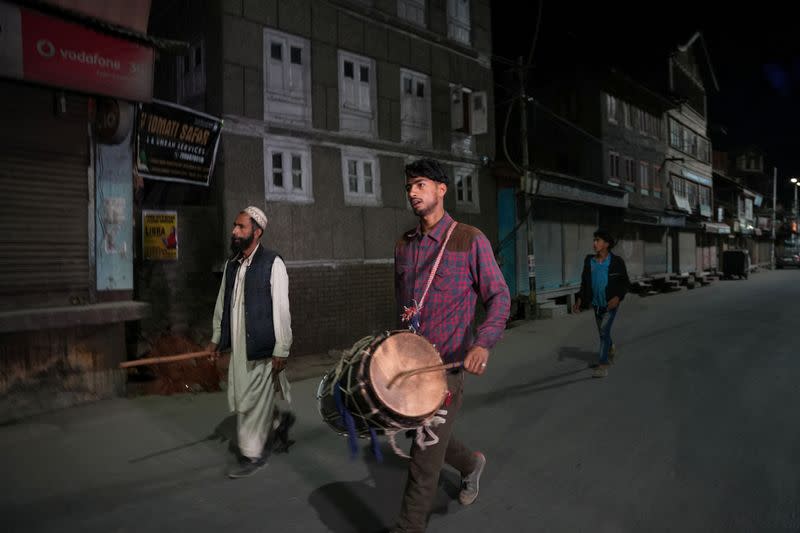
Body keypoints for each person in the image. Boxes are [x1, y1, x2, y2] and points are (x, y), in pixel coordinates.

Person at [392, 159, 510, 532]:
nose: (412, 192)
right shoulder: (404, 246)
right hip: (413, 368)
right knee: (428, 435)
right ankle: (472, 464)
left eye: (421, 184)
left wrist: (483, 343)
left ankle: (409, 527)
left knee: (423, 456)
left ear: (442, 190)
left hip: (449, 368)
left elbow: (500, 297)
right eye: (410, 186)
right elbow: (404, 306)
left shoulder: (469, 239)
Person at [206, 206, 295, 478]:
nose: (234, 231)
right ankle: (277, 422)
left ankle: (252, 455)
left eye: (241, 227)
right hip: (240, 346)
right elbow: (222, 304)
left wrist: (282, 348)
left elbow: (281, 309)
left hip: (263, 347)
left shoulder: (272, 263)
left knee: (250, 402)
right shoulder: (232, 265)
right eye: (235, 226)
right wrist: (216, 340)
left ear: (257, 232)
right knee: (246, 396)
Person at [572, 229, 630, 378]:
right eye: (594, 240)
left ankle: (603, 364)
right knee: (602, 332)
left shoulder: (617, 262)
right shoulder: (589, 260)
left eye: (598, 240)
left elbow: (625, 283)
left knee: (604, 332)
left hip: (611, 304)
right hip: (597, 304)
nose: (594, 243)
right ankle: (610, 347)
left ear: (606, 244)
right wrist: (579, 299)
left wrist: (618, 297)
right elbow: (584, 283)